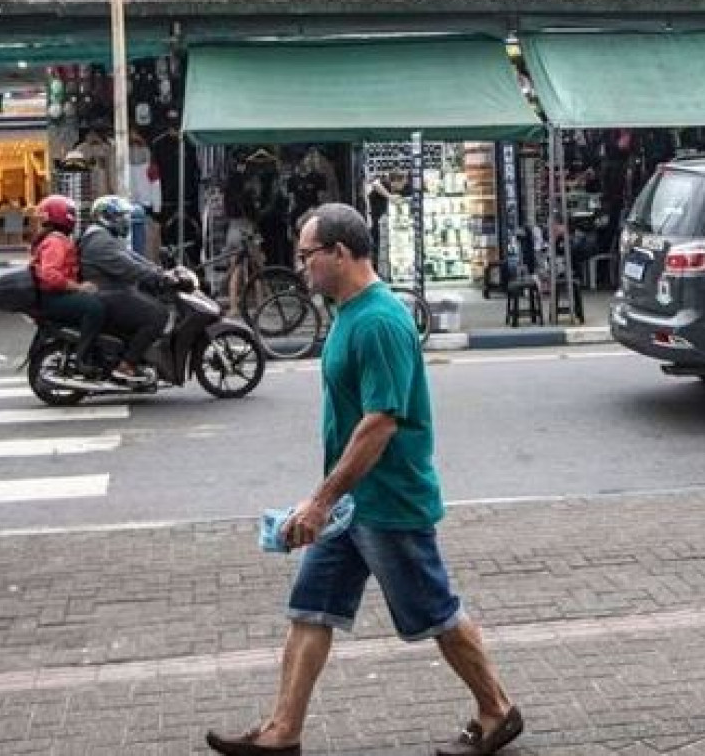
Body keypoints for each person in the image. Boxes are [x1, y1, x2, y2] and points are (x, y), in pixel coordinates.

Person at [206, 203, 522, 756]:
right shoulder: (350, 312)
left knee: (438, 615)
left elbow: (380, 423)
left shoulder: (378, 322)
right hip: (352, 505)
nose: (302, 268)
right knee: (311, 608)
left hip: (388, 503)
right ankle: (284, 732)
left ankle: (498, 710)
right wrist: (329, 499)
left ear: (340, 253)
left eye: (307, 257)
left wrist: (322, 500)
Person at [78, 195, 184, 382]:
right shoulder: (100, 242)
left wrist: (161, 271)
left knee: (150, 303)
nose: (125, 221)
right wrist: (158, 276)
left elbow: (133, 258)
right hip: (108, 294)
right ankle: (127, 365)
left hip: (113, 291)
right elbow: (129, 267)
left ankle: (136, 356)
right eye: (121, 217)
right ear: (106, 217)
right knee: (158, 315)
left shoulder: (104, 237)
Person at [30, 194, 104, 372]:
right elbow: (50, 274)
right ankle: (82, 358)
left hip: (55, 295)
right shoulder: (55, 242)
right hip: (53, 298)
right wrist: (79, 288)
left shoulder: (56, 239)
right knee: (94, 309)